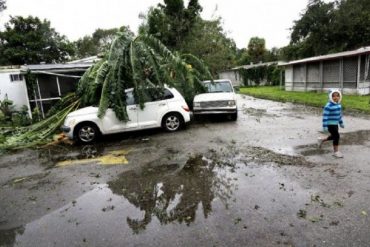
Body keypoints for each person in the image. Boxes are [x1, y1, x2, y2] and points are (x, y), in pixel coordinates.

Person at [318, 89, 344, 158]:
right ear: (330, 97)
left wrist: (341, 122)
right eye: (333, 96)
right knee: (337, 136)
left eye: (337, 96)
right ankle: (336, 152)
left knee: (333, 136)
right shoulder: (328, 106)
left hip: (335, 124)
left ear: (340, 96)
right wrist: (325, 126)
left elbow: (339, 115)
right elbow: (325, 116)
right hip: (330, 124)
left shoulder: (339, 105)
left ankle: (321, 140)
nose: (336, 97)